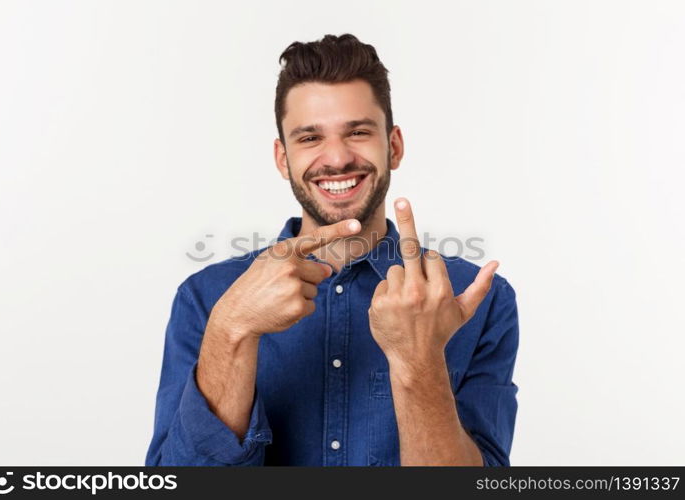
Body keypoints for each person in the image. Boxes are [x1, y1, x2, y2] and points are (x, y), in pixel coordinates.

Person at [145, 33, 519, 466]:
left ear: (393, 146)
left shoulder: (475, 297)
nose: (337, 158)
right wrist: (231, 329)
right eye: (310, 138)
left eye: (358, 132)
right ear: (283, 159)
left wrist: (418, 362)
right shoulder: (206, 298)